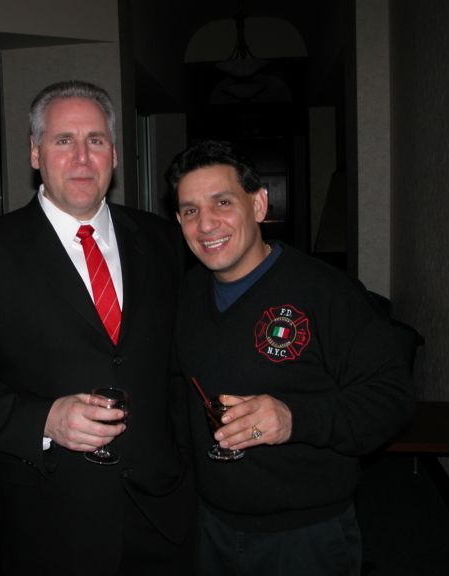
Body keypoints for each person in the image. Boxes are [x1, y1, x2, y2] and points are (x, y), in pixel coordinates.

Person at [0, 80, 195, 576]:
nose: (82, 157)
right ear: (35, 153)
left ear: (114, 154)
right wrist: (45, 420)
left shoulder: (164, 241)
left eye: (95, 140)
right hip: (49, 522)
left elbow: (179, 368)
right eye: (64, 140)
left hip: (162, 515)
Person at [166, 139, 414, 576]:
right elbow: (177, 394)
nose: (205, 224)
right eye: (190, 210)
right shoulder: (185, 294)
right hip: (210, 525)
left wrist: (293, 419)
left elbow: (391, 398)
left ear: (258, 204)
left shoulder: (326, 291)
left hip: (307, 536)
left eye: (222, 202)